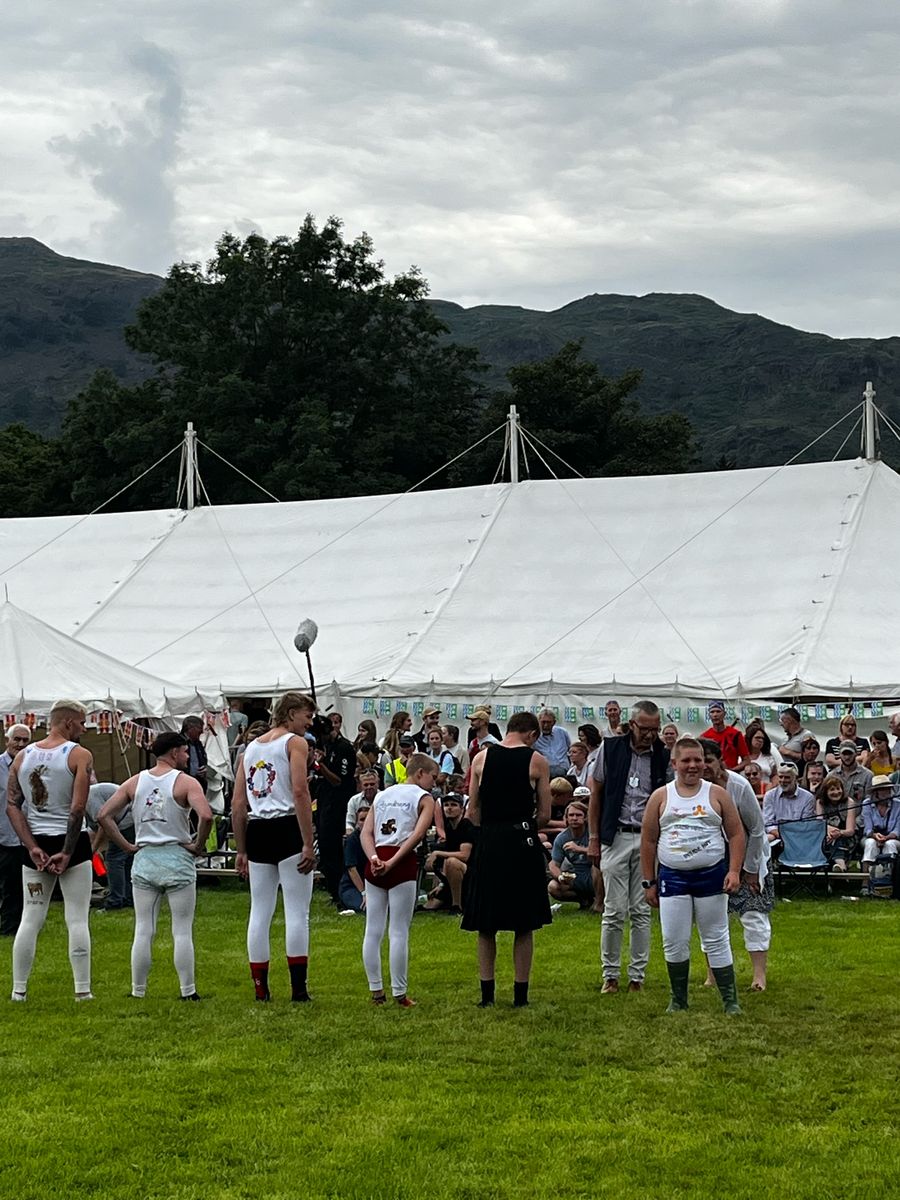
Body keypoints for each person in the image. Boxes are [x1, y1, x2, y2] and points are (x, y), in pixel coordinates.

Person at [98, 733, 212, 1000]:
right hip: (177, 857)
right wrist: (197, 845)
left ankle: (138, 990)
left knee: (143, 927)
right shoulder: (186, 782)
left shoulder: (136, 781)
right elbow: (205, 815)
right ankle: (188, 990)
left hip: (145, 859)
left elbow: (103, 814)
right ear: (174, 753)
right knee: (181, 929)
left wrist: (126, 846)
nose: (187, 756)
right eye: (185, 751)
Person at [640, 737, 745, 1015]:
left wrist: (734, 870)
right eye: (686, 760)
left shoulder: (717, 794)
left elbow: (736, 833)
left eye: (698, 760)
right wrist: (648, 881)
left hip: (711, 876)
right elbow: (648, 841)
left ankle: (730, 1000)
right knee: (674, 939)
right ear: (674, 763)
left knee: (716, 937)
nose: (693, 765)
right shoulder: (661, 797)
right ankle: (678, 999)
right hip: (672, 878)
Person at [461, 712, 552, 1008]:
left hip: (489, 839)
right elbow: (546, 814)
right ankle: (520, 996)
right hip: (520, 839)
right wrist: (527, 824)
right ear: (532, 734)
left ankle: (486, 995)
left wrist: (487, 831)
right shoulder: (536, 760)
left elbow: (472, 810)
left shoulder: (480, 759)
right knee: (524, 922)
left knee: (485, 922)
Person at [6, 700, 94, 1001]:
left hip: (37, 841)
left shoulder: (22, 756)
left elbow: (12, 805)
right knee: (78, 917)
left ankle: (19, 990)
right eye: (82, 723)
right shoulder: (79, 755)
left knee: (31, 916)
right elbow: (77, 808)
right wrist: (68, 852)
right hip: (71, 843)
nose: (84, 728)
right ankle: (82, 991)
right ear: (68, 722)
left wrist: (31, 846)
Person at [232, 691, 317, 1002]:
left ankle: (261, 988)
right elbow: (299, 790)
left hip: (257, 829)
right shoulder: (295, 743)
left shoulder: (249, 749)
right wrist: (308, 841)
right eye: (307, 717)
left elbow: (238, 804)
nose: (310, 724)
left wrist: (241, 848)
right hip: (287, 825)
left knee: (260, 910)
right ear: (292, 713)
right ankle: (298, 989)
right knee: (297, 911)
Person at [588, 700, 669, 994]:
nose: (650, 735)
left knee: (642, 908)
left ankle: (638, 976)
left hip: (649, 838)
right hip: (616, 834)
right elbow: (595, 795)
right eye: (645, 729)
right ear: (631, 724)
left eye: (655, 729)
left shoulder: (663, 755)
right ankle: (610, 975)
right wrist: (594, 837)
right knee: (613, 909)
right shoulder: (609, 750)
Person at [361, 753, 438, 1007]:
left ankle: (376, 990)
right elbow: (418, 834)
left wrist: (373, 857)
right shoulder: (423, 798)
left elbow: (366, 833)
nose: (434, 783)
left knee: (373, 929)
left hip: (376, 858)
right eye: (433, 777)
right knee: (398, 930)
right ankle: (399, 992)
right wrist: (394, 862)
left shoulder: (382, 794)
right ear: (420, 774)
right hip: (401, 861)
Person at [699, 739, 773, 992]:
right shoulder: (694, 788)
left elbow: (756, 828)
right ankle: (711, 974)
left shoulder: (738, 785)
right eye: (700, 761)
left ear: (721, 760)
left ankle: (758, 977)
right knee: (710, 918)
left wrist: (750, 870)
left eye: (708, 760)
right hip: (711, 860)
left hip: (749, 856)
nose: (704, 766)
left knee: (753, 915)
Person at [314, 715, 357, 903]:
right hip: (324, 800)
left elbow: (339, 780)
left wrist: (319, 766)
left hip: (339, 804)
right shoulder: (327, 747)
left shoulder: (344, 748)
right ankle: (332, 889)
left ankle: (341, 891)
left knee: (334, 849)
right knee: (324, 848)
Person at [0, 724, 30, 936]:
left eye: (24, 741)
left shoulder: (31, 765)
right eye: (16, 739)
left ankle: (12, 927)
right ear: (6, 741)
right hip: (2, 833)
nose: (20, 744)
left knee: (16, 885)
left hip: (24, 837)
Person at [424, 793, 476, 914]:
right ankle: (447, 891)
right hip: (456, 875)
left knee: (452, 861)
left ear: (462, 809)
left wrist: (437, 853)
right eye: (446, 805)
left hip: (472, 874)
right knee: (430, 905)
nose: (449, 808)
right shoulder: (449, 827)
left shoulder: (466, 825)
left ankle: (456, 906)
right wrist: (442, 885)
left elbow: (465, 855)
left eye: (453, 805)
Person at [86, 781, 134, 911]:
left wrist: (93, 849)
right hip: (130, 819)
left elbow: (103, 822)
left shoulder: (89, 797)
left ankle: (115, 901)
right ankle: (128, 898)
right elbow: (93, 827)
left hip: (125, 821)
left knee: (114, 860)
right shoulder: (91, 794)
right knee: (127, 861)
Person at [548, 799, 599, 910]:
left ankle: (599, 902)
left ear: (585, 817)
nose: (574, 818)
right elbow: (553, 864)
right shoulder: (562, 838)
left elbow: (602, 854)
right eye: (571, 815)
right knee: (553, 887)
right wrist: (560, 877)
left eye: (578, 815)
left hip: (596, 874)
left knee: (598, 868)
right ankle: (584, 900)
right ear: (566, 818)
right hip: (576, 875)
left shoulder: (594, 833)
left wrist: (580, 849)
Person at [762, 764, 815, 850]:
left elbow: (805, 824)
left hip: (799, 836)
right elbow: (768, 823)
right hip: (776, 835)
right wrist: (783, 837)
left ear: (795, 778)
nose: (783, 781)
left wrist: (790, 838)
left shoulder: (808, 797)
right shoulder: (770, 795)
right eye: (780, 777)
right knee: (765, 839)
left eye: (787, 777)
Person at [814, 776, 856, 872]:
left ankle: (841, 866)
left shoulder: (849, 802)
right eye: (832, 789)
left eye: (838, 788)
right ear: (826, 792)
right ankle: (838, 866)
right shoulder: (820, 802)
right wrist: (829, 831)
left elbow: (850, 831)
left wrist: (838, 833)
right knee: (827, 839)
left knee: (836, 839)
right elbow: (819, 824)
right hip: (826, 836)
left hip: (846, 837)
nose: (836, 792)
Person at [860, 777, 900, 872]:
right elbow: (868, 828)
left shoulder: (898, 805)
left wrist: (887, 837)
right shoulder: (867, 804)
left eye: (887, 789)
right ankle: (866, 881)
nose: (886, 792)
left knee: (890, 844)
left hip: (894, 838)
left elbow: (898, 830)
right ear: (875, 792)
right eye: (882, 789)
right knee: (870, 843)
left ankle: (890, 878)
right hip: (871, 836)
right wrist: (874, 835)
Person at [826, 740, 873, 817]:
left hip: (859, 822)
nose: (847, 757)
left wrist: (857, 823)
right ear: (839, 755)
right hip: (836, 821)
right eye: (844, 754)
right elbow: (827, 803)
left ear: (856, 754)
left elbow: (869, 803)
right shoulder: (831, 775)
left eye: (850, 753)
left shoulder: (867, 775)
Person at [338, 804, 371, 914]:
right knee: (367, 908)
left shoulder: (378, 839)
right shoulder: (352, 840)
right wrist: (364, 893)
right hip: (353, 887)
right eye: (362, 819)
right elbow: (351, 869)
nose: (365, 822)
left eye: (368, 819)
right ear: (357, 823)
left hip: (373, 886)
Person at [700, 701, 749, 772]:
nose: (715, 715)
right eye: (712, 712)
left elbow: (746, 760)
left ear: (724, 714)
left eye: (718, 711)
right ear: (709, 715)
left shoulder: (735, 734)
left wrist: (732, 771)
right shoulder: (705, 737)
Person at [534, 709, 572, 780]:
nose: (546, 725)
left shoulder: (562, 732)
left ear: (554, 722)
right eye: (543, 722)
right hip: (545, 772)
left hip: (564, 770)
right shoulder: (534, 736)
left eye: (549, 722)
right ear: (538, 722)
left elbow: (570, 750)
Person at [344, 770, 382, 835]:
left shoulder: (384, 798)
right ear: (360, 785)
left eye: (372, 784)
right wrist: (351, 836)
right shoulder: (354, 800)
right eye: (366, 785)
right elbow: (349, 823)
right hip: (358, 836)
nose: (369, 787)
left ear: (378, 783)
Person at [181, 716, 209, 793]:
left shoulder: (198, 743)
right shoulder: (179, 742)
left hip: (199, 782)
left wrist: (204, 769)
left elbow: (203, 759)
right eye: (200, 728)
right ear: (191, 728)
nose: (202, 732)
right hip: (184, 783)